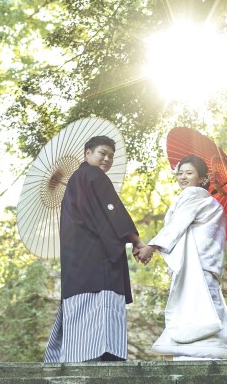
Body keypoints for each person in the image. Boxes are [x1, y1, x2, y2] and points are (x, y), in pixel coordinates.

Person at [44, 135, 146, 363]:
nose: (107, 159)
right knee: (101, 314)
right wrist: (137, 241)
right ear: (87, 153)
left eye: (111, 156)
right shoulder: (93, 176)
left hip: (75, 266)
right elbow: (114, 211)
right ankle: (102, 360)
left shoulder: (75, 181)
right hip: (97, 263)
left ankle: (74, 358)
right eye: (103, 153)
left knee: (79, 317)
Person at [136, 155, 227, 360]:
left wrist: (151, 246)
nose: (182, 177)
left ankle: (195, 354)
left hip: (195, 262)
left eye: (189, 173)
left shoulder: (192, 194)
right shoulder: (209, 201)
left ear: (202, 178)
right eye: (180, 173)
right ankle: (213, 350)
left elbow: (177, 225)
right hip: (206, 262)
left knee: (195, 305)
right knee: (208, 304)